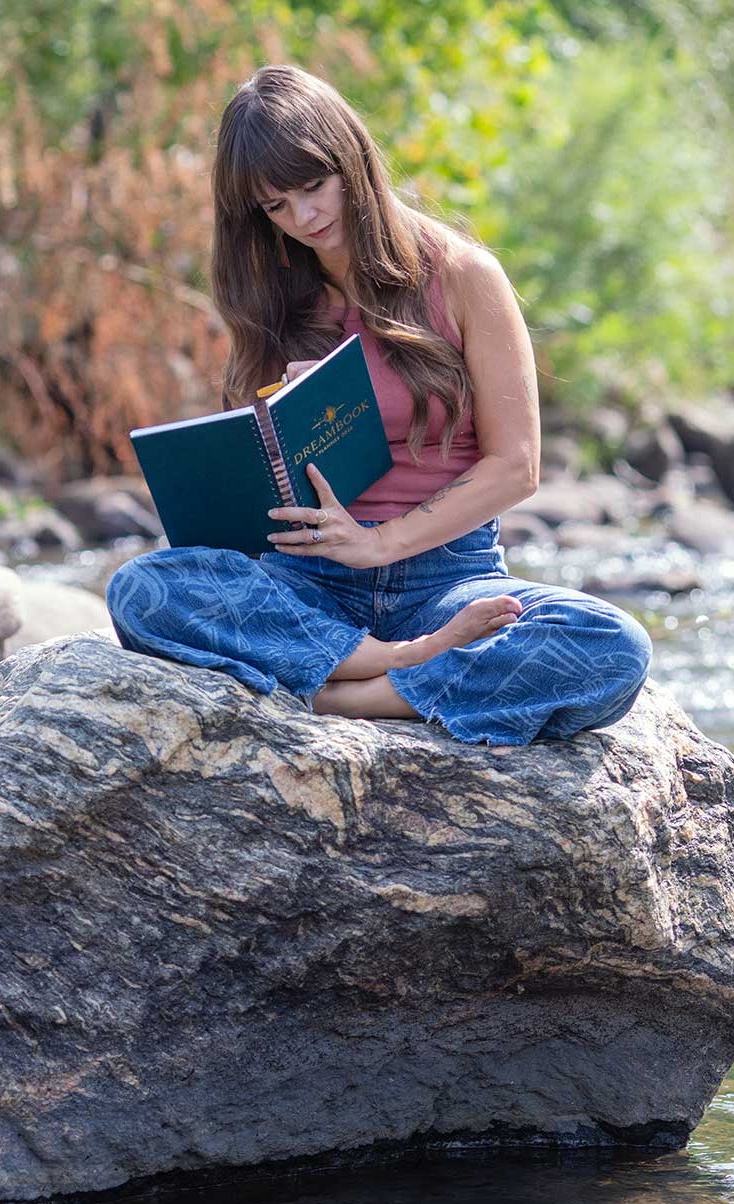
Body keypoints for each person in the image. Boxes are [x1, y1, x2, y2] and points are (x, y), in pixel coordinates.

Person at [106, 64, 652, 746]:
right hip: (306, 581)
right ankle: (393, 670)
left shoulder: (461, 276)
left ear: (352, 161)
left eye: (313, 186)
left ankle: (338, 698)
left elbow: (516, 467)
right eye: (276, 206)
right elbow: (265, 483)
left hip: (445, 578)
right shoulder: (273, 297)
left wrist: (379, 545)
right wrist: (284, 416)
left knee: (610, 646)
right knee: (141, 590)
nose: (303, 218)